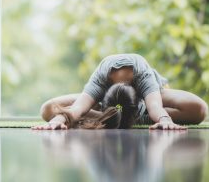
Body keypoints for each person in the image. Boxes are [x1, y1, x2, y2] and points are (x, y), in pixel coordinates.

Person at [32, 53, 208, 130]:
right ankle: (113, 116)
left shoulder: (143, 75)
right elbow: (77, 108)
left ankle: (121, 117)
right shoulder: (101, 77)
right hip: (108, 107)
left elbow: (155, 107)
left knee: (200, 109)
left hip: (150, 101)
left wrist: (164, 119)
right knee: (48, 109)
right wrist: (58, 120)